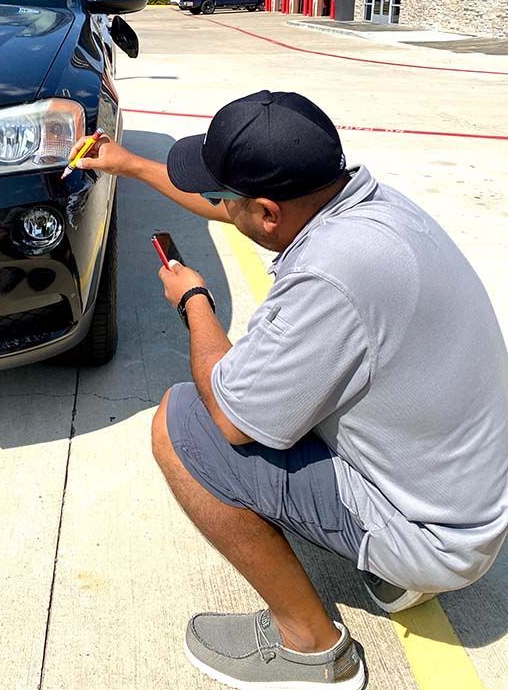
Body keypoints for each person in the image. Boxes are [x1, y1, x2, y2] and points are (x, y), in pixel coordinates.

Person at [68, 90, 508, 690]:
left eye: (227, 196)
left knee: (183, 424)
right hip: (465, 497)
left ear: (269, 213)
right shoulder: (365, 204)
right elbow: (235, 211)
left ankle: (311, 650)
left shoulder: (329, 275)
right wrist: (131, 164)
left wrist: (194, 302)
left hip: (435, 537)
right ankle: (400, 567)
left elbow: (230, 416)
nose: (221, 206)